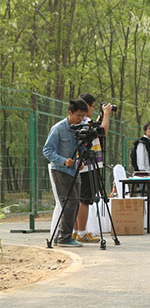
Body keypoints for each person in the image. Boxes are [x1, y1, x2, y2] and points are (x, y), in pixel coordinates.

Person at [43, 99, 89, 247]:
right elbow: (47, 150)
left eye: (83, 116)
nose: (81, 119)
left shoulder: (79, 127)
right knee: (69, 202)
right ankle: (64, 237)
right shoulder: (58, 128)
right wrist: (63, 160)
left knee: (74, 202)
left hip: (74, 170)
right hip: (61, 170)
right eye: (79, 115)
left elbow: (81, 146)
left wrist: (81, 160)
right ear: (70, 112)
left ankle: (60, 235)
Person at [73, 94, 113, 243]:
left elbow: (94, 130)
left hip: (82, 165)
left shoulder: (81, 120)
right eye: (93, 106)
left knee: (80, 198)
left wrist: (100, 117)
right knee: (85, 199)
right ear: (87, 106)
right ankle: (82, 232)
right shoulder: (85, 120)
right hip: (88, 165)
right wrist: (107, 116)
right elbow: (103, 131)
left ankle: (77, 231)